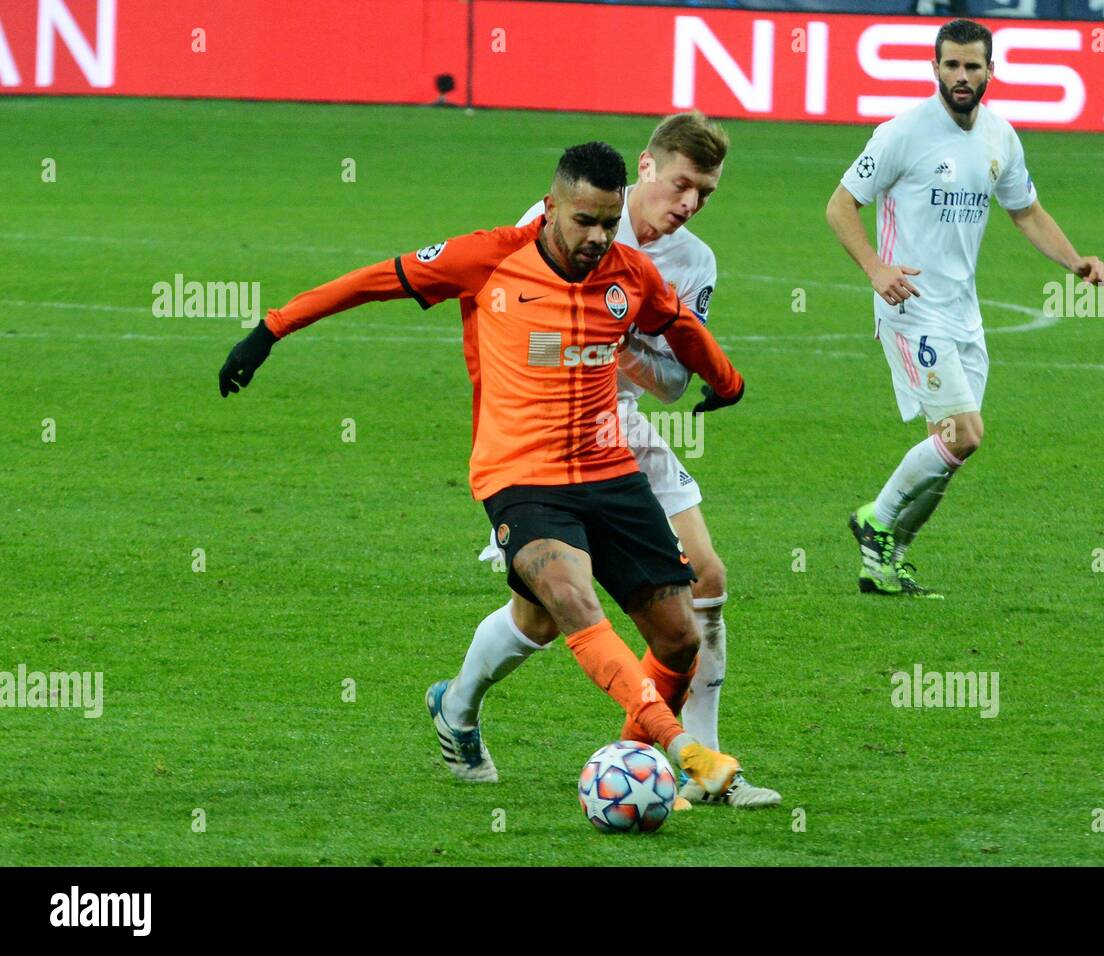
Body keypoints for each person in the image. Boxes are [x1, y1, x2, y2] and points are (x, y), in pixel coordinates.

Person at [218, 141, 747, 798]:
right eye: (583, 220)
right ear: (550, 207)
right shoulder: (489, 256)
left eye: (609, 223)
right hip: (521, 475)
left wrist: (727, 381)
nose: (596, 237)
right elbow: (373, 280)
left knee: (675, 637)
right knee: (574, 603)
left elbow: (679, 325)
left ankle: (602, 754)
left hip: (610, 471)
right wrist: (270, 329)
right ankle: (679, 748)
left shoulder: (629, 272)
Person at [456, 112, 780, 808]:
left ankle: (701, 765)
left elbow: (669, 383)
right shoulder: (562, 223)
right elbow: (514, 340)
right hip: (545, 433)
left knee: (708, 580)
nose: (689, 205)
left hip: (625, 425)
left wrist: (616, 333)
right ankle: (457, 706)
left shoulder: (693, 263)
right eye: (683, 185)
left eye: (706, 194)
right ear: (647, 167)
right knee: (541, 618)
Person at [826, 18, 1104, 598]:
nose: (961, 76)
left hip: (964, 313)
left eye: (972, 66)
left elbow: (1026, 210)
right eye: (950, 65)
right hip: (911, 308)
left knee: (947, 451)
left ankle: (887, 561)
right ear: (934, 68)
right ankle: (876, 519)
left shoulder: (1000, 136)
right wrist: (876, 270)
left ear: (990, 72)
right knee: (963, 433)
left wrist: (1074, 260)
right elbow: (840, 205)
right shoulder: (902, 132)